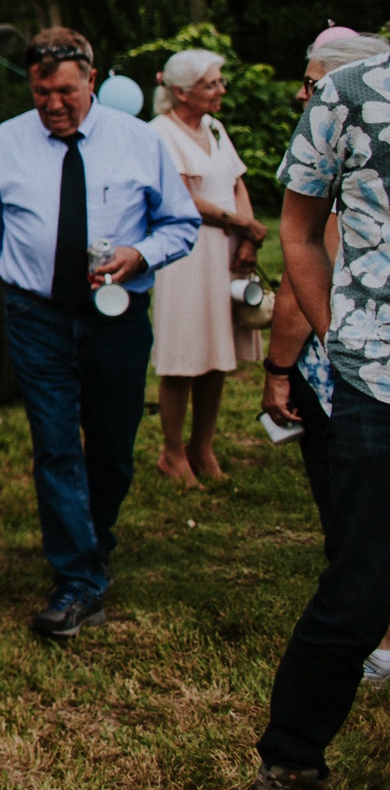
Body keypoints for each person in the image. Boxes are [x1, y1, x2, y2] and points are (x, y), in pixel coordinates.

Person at [0, 28, 199, 639]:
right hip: (36, 316)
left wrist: (139, 253)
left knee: (114, 449)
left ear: (91, 80)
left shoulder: (139, 142)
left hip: (116, 317)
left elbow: (182, 225)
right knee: (56, 445)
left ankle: (92, 537)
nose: (54, 104)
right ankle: (77, 579)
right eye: (42, 92)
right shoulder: (5, 143)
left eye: (65, 91)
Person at [250, 42, 390, 790]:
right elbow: (297, 231)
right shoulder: (349, 91)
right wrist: (342, 336)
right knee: (366, 581)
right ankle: (291, 762)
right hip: (380, 380)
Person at [262, 34, 390, 539]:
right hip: (358, 358)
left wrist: (278, 369)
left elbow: (297, 282)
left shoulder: (350, 180)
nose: (303, 94)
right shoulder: (348, 147)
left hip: (342, 358)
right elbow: (301, 246)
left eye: (312, 84)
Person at [147, 49, 267, 488]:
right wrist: (240, 223)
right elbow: (181, 198)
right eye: (211, 84)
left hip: (226, 249)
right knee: (183, 355)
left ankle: (203, 446)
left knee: (218, 353)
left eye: (219, 81)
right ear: (180, 91)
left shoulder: (214, 127)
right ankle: (172, 452)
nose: (221, 90)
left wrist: (249, 238)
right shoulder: (159, 133)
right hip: (186, 253)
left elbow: (236, 180)